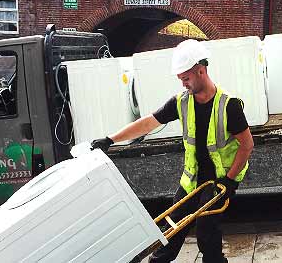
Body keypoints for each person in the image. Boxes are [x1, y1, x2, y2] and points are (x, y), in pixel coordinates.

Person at [91, 39, 254, 263]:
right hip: (192, 179)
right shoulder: (182, 102)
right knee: (172, 227)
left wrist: (229, 180)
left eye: (186, 79)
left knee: (207, 232)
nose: (183, 84)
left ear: (201, 70)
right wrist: (111, 139)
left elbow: (247, 145)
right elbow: (148, 123)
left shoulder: (228, 105)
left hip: (219, 180)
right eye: (181, 80)